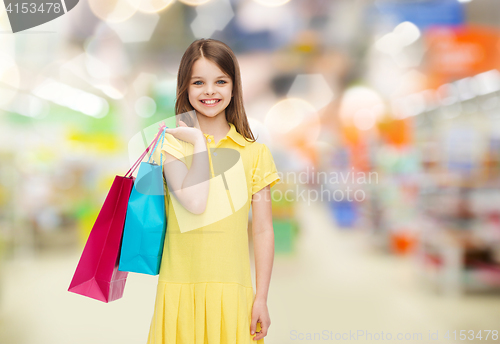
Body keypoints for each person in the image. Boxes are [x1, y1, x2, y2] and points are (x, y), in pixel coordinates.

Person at [147, 38, 281, 344]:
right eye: (199, 82)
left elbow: (262, 230)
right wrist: (196, 143)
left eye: (220, 81)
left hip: (234, 292)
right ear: (185, 88)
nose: (210, 91)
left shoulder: (254, 153)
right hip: (180, 288)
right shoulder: (171, 146)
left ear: (234, 88)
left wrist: (261, 297)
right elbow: (195, 201)